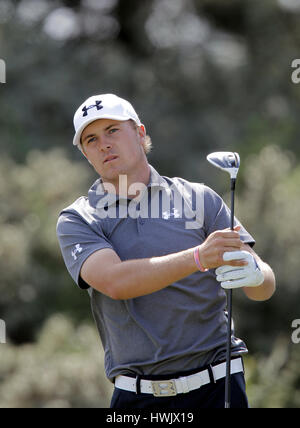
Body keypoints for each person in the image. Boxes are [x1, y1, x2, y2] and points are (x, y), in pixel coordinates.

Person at [56, 93, 276, 409]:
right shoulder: (78, 219)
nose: (104, 144)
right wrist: (199, 257)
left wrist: (256, 274)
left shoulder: (199, 199)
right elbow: (116, 283)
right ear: (85, 154)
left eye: (113, 130)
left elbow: (264, 287)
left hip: (219, 385)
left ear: (140, 133)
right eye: (91, 139)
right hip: (138, 395)